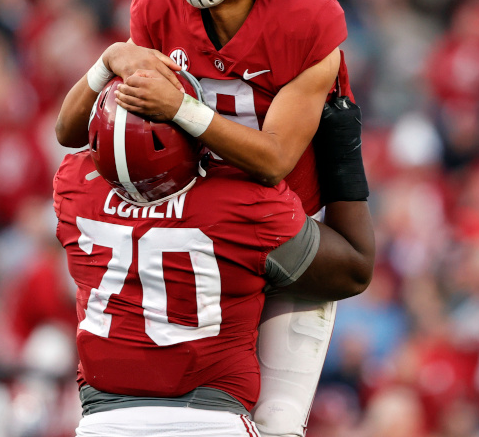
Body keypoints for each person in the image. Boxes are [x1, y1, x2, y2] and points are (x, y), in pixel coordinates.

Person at [54, 0, 370, 437]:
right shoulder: (156, 4)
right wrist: (111, 65)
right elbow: (76, 129)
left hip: (277, 229)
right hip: (202, 220)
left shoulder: (308, 21)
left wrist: (181, 109)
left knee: (276, 420)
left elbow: (272, 160)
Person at [54, 72, 373, 436]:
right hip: (212, 421)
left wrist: (106, 62)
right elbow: (354, 269)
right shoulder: (240, 202)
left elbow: (68, 129)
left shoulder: (73, 187)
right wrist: (343, 156)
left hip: (101, 424)